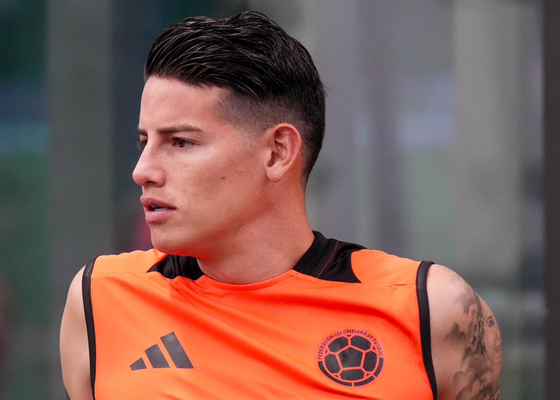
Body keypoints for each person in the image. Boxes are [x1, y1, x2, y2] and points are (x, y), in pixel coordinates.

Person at [60, 11, 502, 400]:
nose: (143, 171)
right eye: (145, 141)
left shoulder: (433, 311)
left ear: (277, 153)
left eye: (180, 142)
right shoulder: (100, 297)